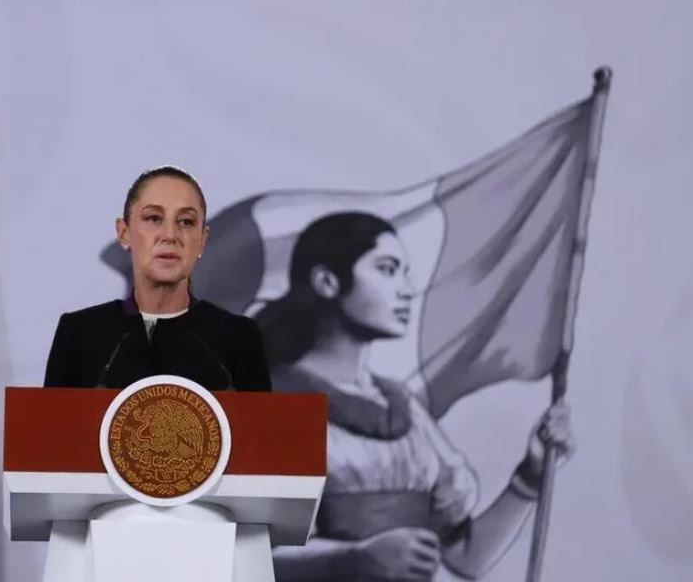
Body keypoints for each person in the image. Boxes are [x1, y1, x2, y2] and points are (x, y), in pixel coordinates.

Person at [255, 212, 575, 581]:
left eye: (405, 272)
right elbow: (244, 559)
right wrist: (353, 558)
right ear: (327, 282)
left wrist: (530, 477)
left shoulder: (403, 409)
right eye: (387, 269)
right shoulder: (273, 402)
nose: (407, 289)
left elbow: (465, 557)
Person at [43, 166, 272, 392]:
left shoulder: (239, 338)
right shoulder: (79, 334)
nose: (170, 236)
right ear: (124, 233)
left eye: (186, 222)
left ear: (202, 240)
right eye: (153, 218)